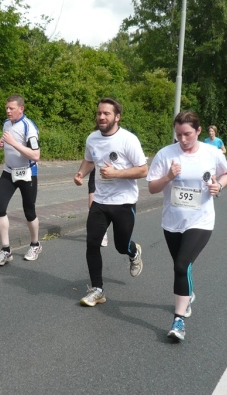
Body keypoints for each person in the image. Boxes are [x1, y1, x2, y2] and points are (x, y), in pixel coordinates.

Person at [147, 110, 227, 341]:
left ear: (198, 131)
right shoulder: (166, 154)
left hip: (201, 220)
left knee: (182, 264)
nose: (183, 140)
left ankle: (178, 321)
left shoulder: (212, 153)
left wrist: (219, 186)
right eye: (178, 135)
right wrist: (168, 177)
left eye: (187, 134)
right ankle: (188, 294)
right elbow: (152, 188)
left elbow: (226, 174)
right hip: (172, 221)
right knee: (181, 266)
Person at [74, 97, 148, 307]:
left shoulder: (128, 139)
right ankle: (97, 289)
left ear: (117, 117)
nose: (101, 117)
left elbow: (143, 170)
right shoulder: (92, 138)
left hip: (124, 202)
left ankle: (134, 252)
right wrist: (80, 173)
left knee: (121, 246)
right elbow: (90, 160)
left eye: (106, 113)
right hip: (100, 201)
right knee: (92, 243)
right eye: (99, 113)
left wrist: (116, 173)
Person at [0, 95, 42, 266]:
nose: (8, 111)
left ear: (21, 109)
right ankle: (6, 250)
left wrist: (13, 143)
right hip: (8, 172)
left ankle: (35, 244)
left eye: (11, 108)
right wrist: (0, 144)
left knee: (29, 211)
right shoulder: (7, 123)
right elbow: (6, 142)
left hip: (27, 173)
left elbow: (36, 155)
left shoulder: (29, 127)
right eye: (6, 108)